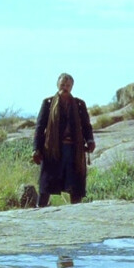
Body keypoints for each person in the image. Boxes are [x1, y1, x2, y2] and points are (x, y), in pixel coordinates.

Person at [32, 73, 95, 207]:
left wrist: (90, 140)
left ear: (72, 87)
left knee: (75, 184)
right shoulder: (48, 103)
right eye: (62, 85)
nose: (65, 88)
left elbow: (86, 126)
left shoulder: (79, 104)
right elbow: (40, 127)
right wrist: (36, 149)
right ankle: (40, 210)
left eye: (68, 85)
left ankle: (76, 212)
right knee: (46, 183)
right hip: (52, 149)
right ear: (57, 85)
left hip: (74, 149)